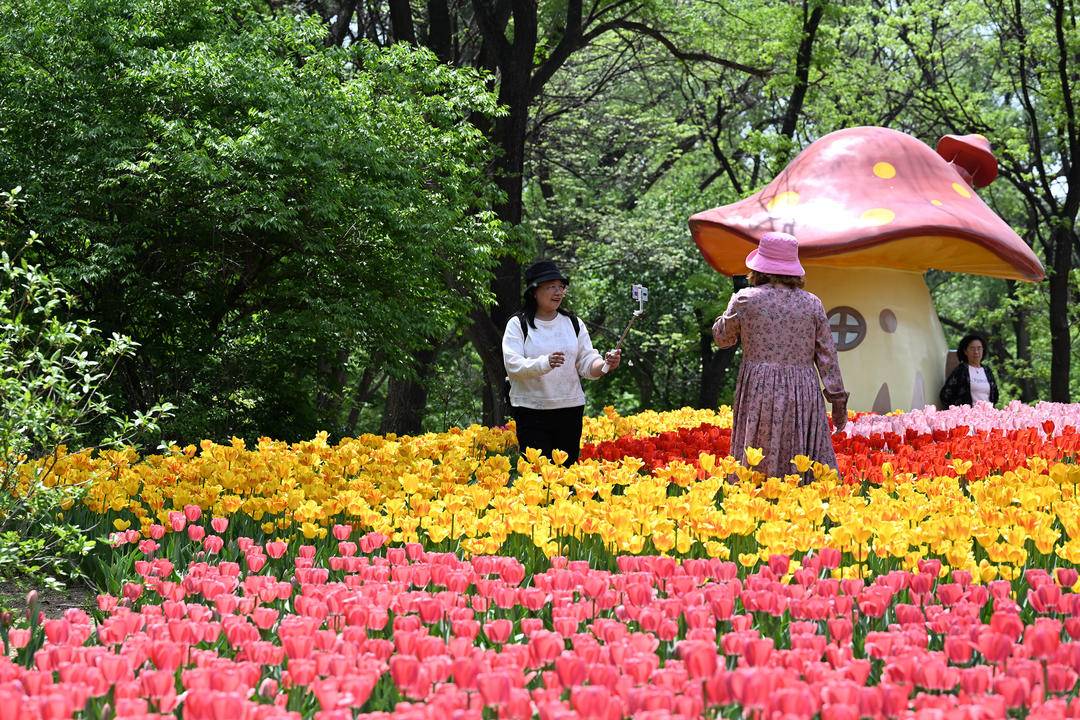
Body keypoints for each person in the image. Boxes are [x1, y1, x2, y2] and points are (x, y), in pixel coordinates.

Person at [713, 232, 848, 480]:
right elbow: (827, 357)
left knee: (759, 448)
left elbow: (723, 339)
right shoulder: (812, 304)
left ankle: (759, 501)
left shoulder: (745, 300)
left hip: (759, 387)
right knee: (801, 452)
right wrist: (837, 401)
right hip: (802, 389)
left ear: (759, 268)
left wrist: (731, 308)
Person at [502, 260, 621, 465]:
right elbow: (513, 366)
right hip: (531, 411)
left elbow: (586, 361)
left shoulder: (573, 322)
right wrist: (545, 363)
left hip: (569, 410)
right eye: (551, 287)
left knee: (566, 474)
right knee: (537, 475)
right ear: (534, 291)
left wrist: (605, 365)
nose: (558, 292)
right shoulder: (518, 324)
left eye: (561, 287)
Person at [939, 332, 998, 407]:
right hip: (969, 416)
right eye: (972, 348)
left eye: (979, 348)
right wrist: (959, 412)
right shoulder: (961, 371)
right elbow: (945, 395)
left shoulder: (987, 370)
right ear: (965, 351)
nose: (976, 352)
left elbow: (995, 396)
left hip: (988, 415)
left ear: (983, 350)